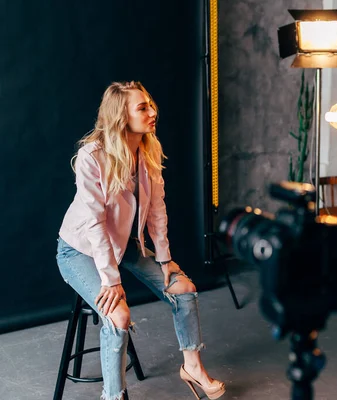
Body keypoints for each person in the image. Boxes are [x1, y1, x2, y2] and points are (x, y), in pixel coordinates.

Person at [56, 81, 225, 400]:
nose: (153, 111)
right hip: (79, 251)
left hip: (122, 246)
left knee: (183, 288)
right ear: (121, 116)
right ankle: (113, 395)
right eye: (143, 107)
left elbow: (157, 211)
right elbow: (95, 223)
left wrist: (164, 258)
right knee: (119, 316)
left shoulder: (147, 151)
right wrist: (110, 280)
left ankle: (193, 367)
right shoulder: (92, 157)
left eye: (151, 104)